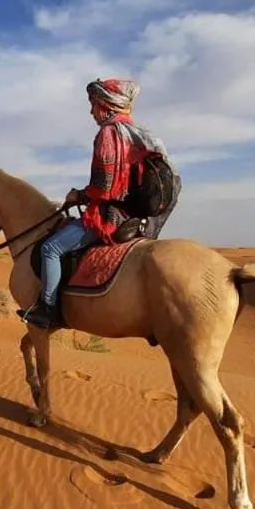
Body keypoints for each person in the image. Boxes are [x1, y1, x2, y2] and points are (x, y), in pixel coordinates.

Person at [18, 77, 181, 329]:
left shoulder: (108, 133)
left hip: (108, 219)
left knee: (50, 248)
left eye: (94, 104)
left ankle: (47, 309)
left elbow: (103, 188)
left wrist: (78, 196)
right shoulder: (142, 136)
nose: (91, 111)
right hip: (137, 218)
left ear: (107, 104)